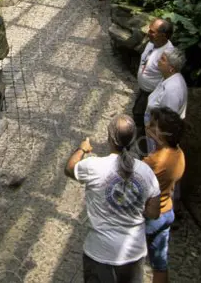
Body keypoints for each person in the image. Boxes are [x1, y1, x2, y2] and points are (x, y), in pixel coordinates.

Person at [66, 114, 161, 283]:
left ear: (109, 138)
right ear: (133, 140)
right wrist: (130, 205)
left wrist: (82, 149)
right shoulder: (146, 172)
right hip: (133, 252)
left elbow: (69, 168)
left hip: (100, 252)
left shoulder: (93, 166)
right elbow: (153, 213)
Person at [142, 107, 186, 283]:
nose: (148, 127)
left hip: (150, 217)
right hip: (167, 211)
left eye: (153, 126)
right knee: (160, 262)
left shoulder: (154, 161)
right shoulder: (179, 153)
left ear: (162, 135)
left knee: (129, 257)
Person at [133, 19, 175, 137]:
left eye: (152, 32)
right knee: (137, 113)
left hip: (152, 95)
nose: (148, 33)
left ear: (163, 36)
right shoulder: (152, 43)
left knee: (146, 120)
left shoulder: (167, 55)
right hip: (144, 91)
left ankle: (141, 143)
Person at [145, 46, 188, 153]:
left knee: (153, 158)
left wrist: (155, 137)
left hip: (158, 136)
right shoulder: (167, 77)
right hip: (152, 128)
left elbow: (166, 121)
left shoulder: (173, 90)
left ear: (171, 68)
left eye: (163, 59)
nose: (159, 60)